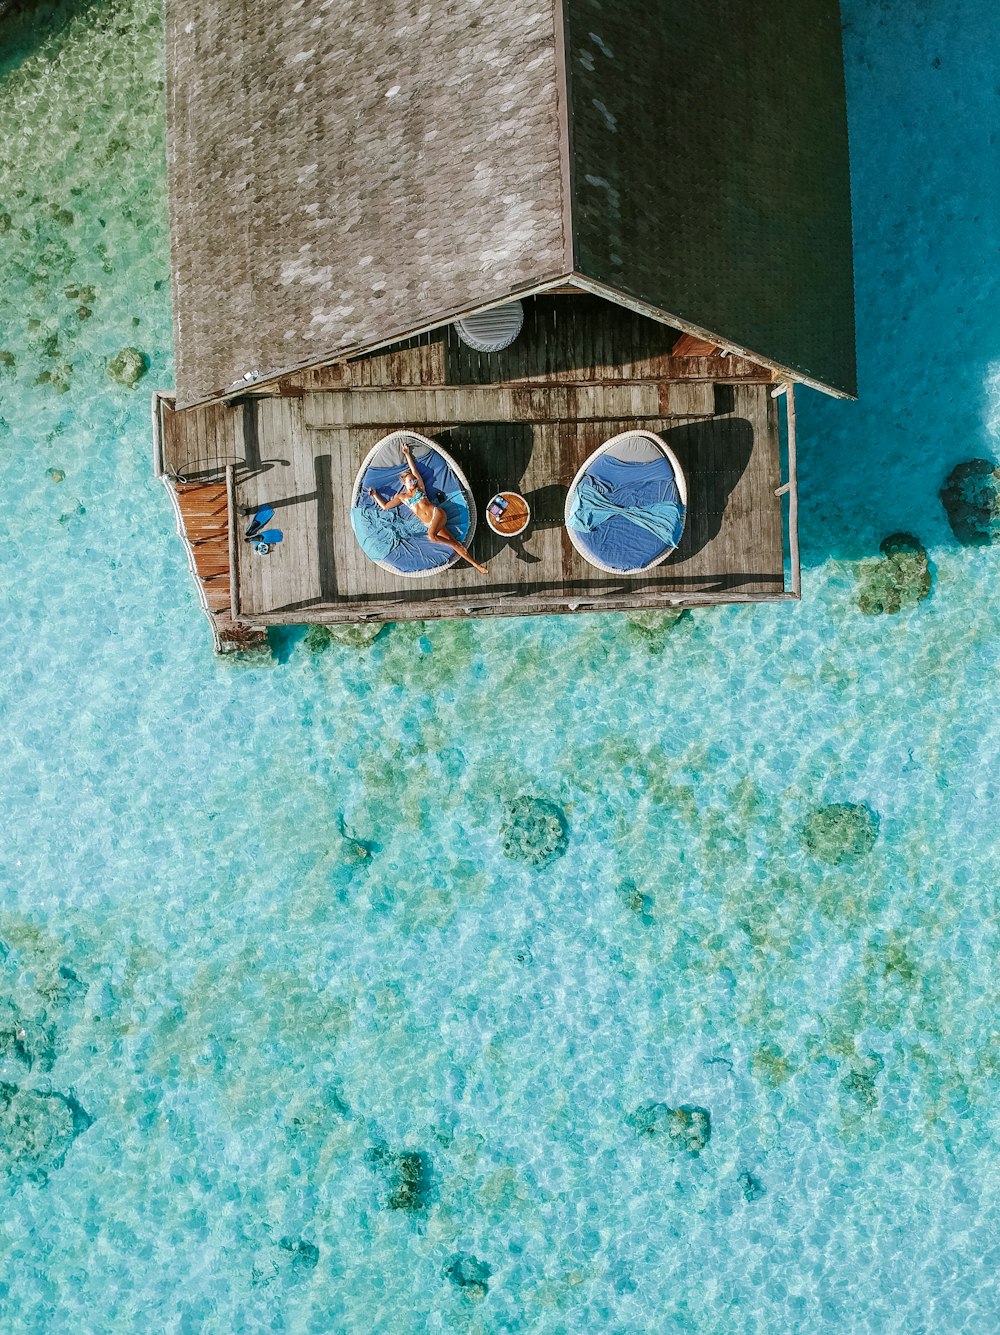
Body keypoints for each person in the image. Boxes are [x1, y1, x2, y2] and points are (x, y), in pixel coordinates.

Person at [368, 441, 487, 574]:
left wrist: (407, 454)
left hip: (438, 514)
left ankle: (453, 545)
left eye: (414, 479)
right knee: (455, 543)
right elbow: (385, 506)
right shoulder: (401, 497)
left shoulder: (420, 488)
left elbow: (414, 470)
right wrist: (375, 495)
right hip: (430, 523)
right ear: (404, 483)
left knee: (431, 536)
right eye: (410, 480)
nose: (413, 481)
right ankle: (476, 565)